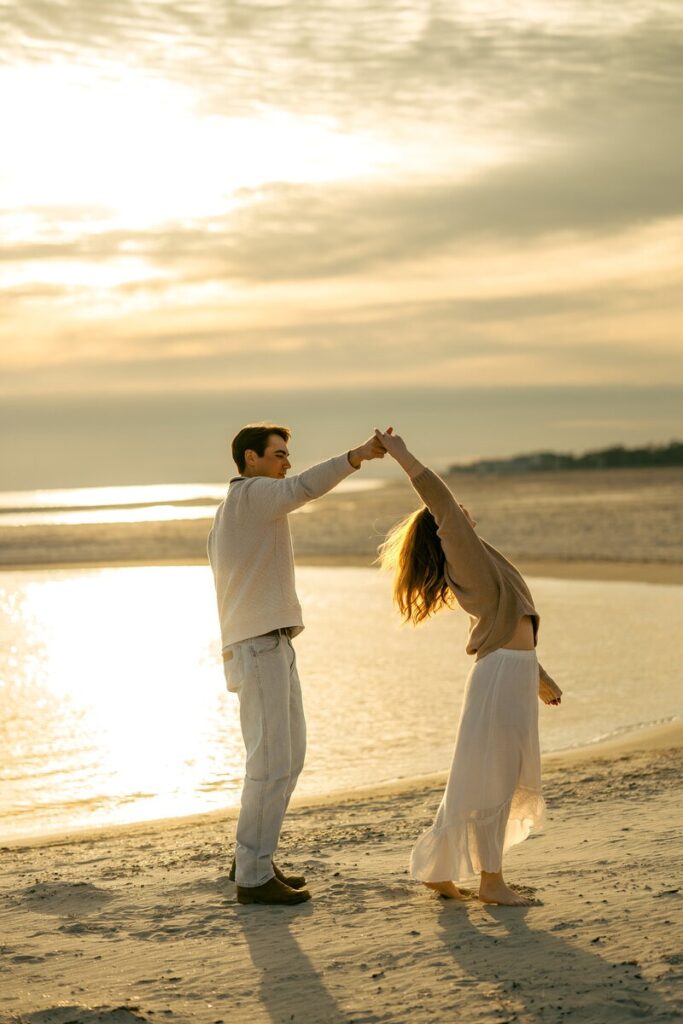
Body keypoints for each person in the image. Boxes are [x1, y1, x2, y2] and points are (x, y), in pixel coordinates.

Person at [376, 427, 562, 907]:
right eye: (451, 514)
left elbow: (511, 620)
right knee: (494, 776)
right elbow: (438, 497)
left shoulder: (482, 559)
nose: (461, 511)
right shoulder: (462, 548)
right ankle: (491, 883)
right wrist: (402, 455)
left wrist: (539, 677)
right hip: (502, 674)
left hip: (511, 671)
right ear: (444, 528)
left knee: (485, 774)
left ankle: (442, 872)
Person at [207, 422, 386, 906]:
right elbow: (304, 488)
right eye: (279, 453)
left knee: (289, 759)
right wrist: (357, 456)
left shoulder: (244, 506)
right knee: (269, 764)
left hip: (272, 644)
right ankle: (252, 875)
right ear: (250, 459)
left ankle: (254, 858)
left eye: (288, 454)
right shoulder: (251, 496)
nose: (286, 461)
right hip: (258, 646)